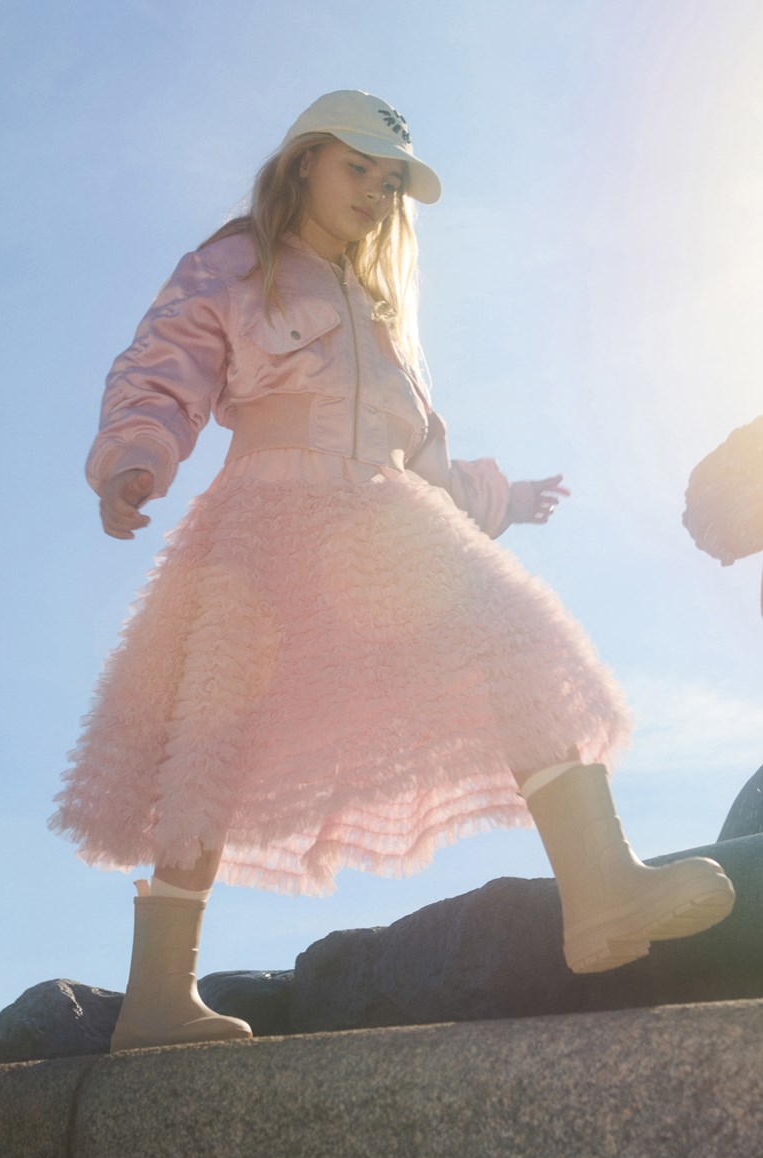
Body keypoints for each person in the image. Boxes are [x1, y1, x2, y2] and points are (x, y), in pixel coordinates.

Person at [50, 91, 735, 1052]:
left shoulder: (377, 304)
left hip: (383, 523)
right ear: (303, 163)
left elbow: (425, 455)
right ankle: (161, 998)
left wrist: (502, 499)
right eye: (357, 168)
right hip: (269, 519)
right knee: (210, 739)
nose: (376, 192)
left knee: (520, 639)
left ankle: (601, 893)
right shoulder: (236, 261)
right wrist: (136, 456)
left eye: (391, 180)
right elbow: (165, 365)